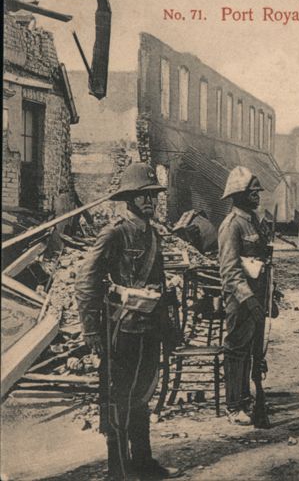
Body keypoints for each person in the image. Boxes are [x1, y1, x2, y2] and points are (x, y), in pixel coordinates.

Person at [75, 163, 180, 480]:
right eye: (142, 195)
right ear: (129, 198)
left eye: (153, 195)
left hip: (150, 329)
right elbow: (85, 282)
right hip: (122, 329)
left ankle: (144, 463)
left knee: (143, 397)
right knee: (119, 400)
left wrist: (170, 327)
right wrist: (91, 329)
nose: (149, 201)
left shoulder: (153, 234)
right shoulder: (115, 232)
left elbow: (159, 283)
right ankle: (119, 470)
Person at [218, 167, 277, 426]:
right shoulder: (231, 225)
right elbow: (229, 270)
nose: (257, 196)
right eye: (252, 193)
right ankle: (234, 406)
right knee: (237, 351)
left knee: (255, 352)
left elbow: (264, 262)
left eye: (257, 192)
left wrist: (270, 297)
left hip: (259, 297)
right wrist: (248, 300)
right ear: (238, 195)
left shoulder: (253, 222)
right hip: (241, 301)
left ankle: (248, 399)